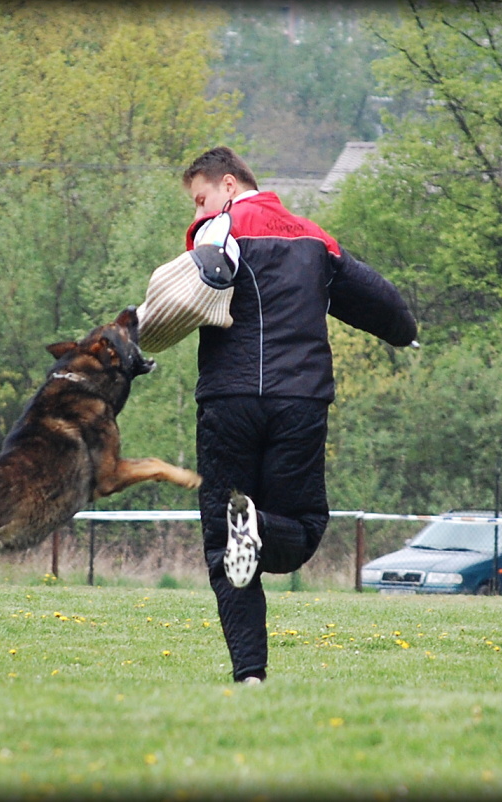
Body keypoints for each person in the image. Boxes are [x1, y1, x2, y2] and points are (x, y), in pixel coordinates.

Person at [138, 146, 418, 684]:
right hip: (301, 403)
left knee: (226, 547)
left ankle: (251, 676)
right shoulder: (314, 237)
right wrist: (405, 334)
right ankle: (259, 526)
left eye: (200, 199)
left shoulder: (219, 228)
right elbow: (376, 297)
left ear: (228, 185)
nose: (196, 212)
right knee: (305, 529)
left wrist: (135, 337)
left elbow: (185, 293)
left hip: (228, 403)